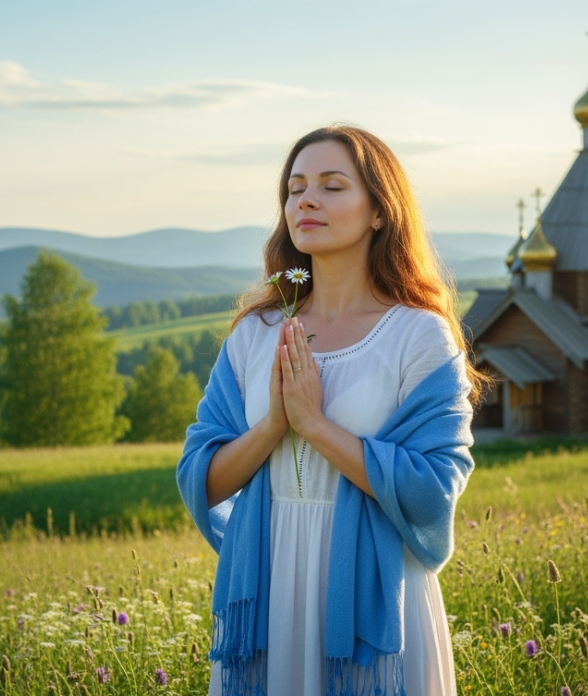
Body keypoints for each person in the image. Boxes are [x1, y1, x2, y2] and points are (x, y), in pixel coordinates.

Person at [177, 125, 486, 696]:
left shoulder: (418, 337)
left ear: (378, 211)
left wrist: (315, 425)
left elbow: (433, 489)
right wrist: (274, 424)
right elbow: (202, 477)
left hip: (372, 596)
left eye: (332, 185)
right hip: (270, 583)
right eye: (295, 188)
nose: (306, 200)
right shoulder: (256, 333)